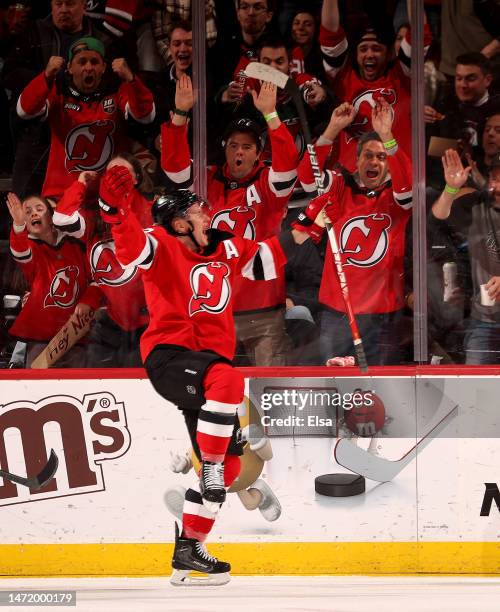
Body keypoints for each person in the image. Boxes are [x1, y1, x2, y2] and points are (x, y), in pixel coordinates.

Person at [97, 174, 314, 583]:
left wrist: (316, 216)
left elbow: (270, 256)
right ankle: (209, 468)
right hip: (170, 357)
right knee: (229, 380)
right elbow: (129, 249)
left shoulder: (224, 247)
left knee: (232, 468)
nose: (207, 214)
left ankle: (189, 551)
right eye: (197, 212)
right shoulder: (160, 245)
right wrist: (115, 211)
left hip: (208, 376)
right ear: (179, 224)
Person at [161, 75, 298, 366]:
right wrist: (180, 116)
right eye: (234, 145)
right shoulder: (207, 180)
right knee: (217, 395)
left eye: (247, 147)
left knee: (267, 393)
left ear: (259, 153)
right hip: (216, 309)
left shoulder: (267, 184)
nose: (239, 152)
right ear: (224, 148)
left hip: (264, 311)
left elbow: (287, 168)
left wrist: (271, 115)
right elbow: (175, 172)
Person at [293, 99, 412, 365]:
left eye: (381, 157)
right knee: (335, 388)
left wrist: (388, 137)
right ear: (356, 160)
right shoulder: (339, 187)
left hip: (383, 316)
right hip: (338, 314)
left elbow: (407, 188)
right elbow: (308, 178)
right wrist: (332, 129)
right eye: (368, 155)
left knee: (382, 392)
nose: (374, 162)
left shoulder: (397, 197)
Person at [16, 36, 155, 200]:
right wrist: (46, 76)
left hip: (111, 194)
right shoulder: (57, 92)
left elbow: (146, 115)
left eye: (94, 62)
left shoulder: (118, 91)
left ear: (103, 67)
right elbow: (24, 110)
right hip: (62, 195)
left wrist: (131, 79)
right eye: (82, 62)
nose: (89, 67)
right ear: (69, 67)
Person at [52, 154, 153, 367]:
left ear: (136, 179)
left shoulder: (152, 211)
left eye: (122, 172)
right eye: (110, 172)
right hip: (112, 322)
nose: (115, 177)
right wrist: (81, 184)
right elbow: (61, 218)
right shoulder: (93, 218)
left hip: (149, 322)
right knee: (96, 378)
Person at [318, 0, 430, 170]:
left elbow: (420, 34)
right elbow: (329, 35)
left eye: (376, 49)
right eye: (363, 49)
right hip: (350, 179)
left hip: (396, 177)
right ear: (355, 55)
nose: (369, 54)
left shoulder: (403, 76)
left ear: (390, 53)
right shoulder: (342, 77)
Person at [5, 192, 99, 367]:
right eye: (27, 212)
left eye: (39, 209)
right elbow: (20, 251)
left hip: (75, 334)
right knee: (38, 390)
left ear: (51, 216)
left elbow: (96, 279)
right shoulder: (30, 248)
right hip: (40, 338)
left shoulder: (76, 245)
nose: (33, 213)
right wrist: (18, 225)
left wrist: (89, 301)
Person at [431, 149, 500, 364]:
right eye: (494, 178)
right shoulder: (477, 204)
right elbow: (439, 215)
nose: (496, 186)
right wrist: (452, 188)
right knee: (472, 391)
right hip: (483, 320)